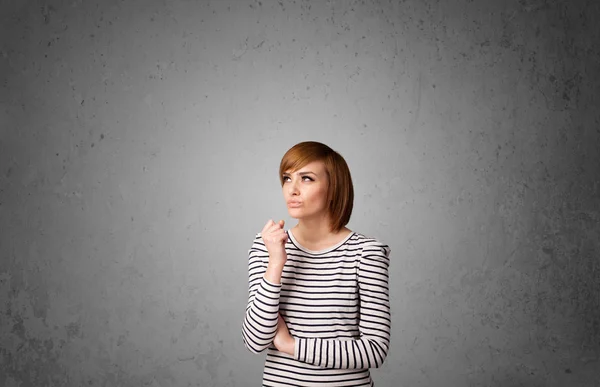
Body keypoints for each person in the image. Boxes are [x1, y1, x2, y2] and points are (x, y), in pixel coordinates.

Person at [241, 141, 391, 386]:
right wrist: (276, 262)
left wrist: (291, 346)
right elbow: (255, 340)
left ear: (334, 187)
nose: (292, 190)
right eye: (287, 179)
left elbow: (374, 350)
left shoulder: (366, 253)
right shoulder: (266, 246)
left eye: (307, 178)